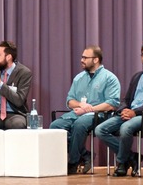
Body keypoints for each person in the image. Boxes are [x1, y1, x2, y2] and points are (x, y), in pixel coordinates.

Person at [49, 45, 121, 174]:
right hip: (78, 113)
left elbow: (112, 104)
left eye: (85, 57)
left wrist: (90, 109)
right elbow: (70, 101)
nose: (81, 60)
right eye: (82, 57)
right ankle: (84, 154)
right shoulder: (79, 78)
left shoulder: (110, 78)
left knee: (79, 125)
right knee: (55, 126)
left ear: (95, 60)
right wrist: (81, 105)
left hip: (100, 115)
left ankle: (73, 161)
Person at [95, 42, 143, 177]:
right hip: (129, 114)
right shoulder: (137, 76)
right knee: (100, 129)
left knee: (125, 128)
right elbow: (126, 99)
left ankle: (121, 163)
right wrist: (123, 110)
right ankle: (131, 157)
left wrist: (135, 112)